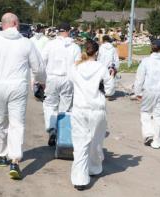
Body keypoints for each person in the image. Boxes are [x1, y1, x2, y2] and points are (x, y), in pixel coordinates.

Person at [0, 13, 45, 180]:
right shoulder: (26, 43)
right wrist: (41, 82)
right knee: (17, 123)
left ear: (2, 24)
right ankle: (14, 159)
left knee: (0, 121)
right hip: (18, 86)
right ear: (14, 23)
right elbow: (38, 67)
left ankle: (1, 154)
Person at [69, 40, 115, 191]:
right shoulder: (101, 68)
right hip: (97, 109)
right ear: (97, 53)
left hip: (79, 109)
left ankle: (79, 178)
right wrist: (102, 89)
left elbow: (70, 82)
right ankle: (94, 168)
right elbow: (110, 90)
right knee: (96, 141)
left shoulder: (75, 68)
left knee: (80, 144)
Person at [41, 22, 81, 146]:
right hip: (68, 79)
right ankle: (62, 132)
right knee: (66, 107)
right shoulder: (75, 47)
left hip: (52, 78)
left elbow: (42, 62)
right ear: (69, 31)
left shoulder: (50, 44)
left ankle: (52, 129)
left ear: (58, 31)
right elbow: (78, 66)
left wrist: (40, 80)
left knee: (49, 105)